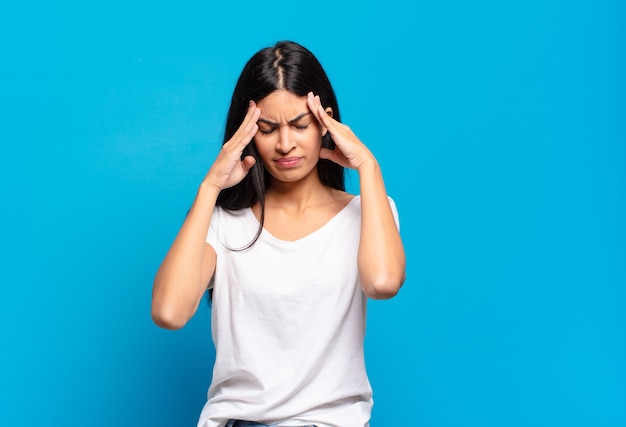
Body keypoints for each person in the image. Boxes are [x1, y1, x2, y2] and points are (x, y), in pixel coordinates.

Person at [151, 41, 406, 427]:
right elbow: (169, 312)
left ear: (326, 123)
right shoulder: (223, 221)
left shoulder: (369, 212)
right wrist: (209, 189)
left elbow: (383, 283)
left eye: (300, 126)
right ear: (247, 132)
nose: (285, 144)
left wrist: (368, 167)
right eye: (267, 129)